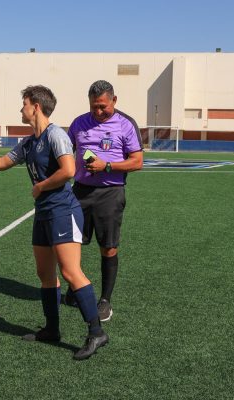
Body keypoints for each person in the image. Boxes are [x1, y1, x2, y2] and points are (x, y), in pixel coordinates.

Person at [0, 85, 108, 360]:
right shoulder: (29, 142)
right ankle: (52, 330)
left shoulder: (56, 135)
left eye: (24, 104)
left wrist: (41, 186)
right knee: (45, 274)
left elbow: (68, 171)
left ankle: (96, 331)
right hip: (43, 213)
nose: (21, 109)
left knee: (70, 272)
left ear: (36, 107)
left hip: (63, 211)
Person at [65, 80, 143, 322]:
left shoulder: (126, 124)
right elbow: (67, 151)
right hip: (80, 191)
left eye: (102, 107)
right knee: (73, 243)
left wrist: (106, 165)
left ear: (114, 101)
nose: (98, 112)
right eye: (93, 107)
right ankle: (75, 288)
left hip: (110, 193)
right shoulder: (79, 122)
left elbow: (137, 161)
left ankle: (105, 300)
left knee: (108, 247)